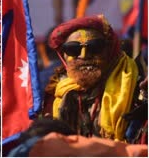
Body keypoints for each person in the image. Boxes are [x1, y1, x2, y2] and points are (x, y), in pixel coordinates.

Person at [43, 14, 147, 142]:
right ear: (63, 56)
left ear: (110, 51)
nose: (83, 55)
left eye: (95, 47)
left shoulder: (137, 84)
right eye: (73, 49)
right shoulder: (51, 94)